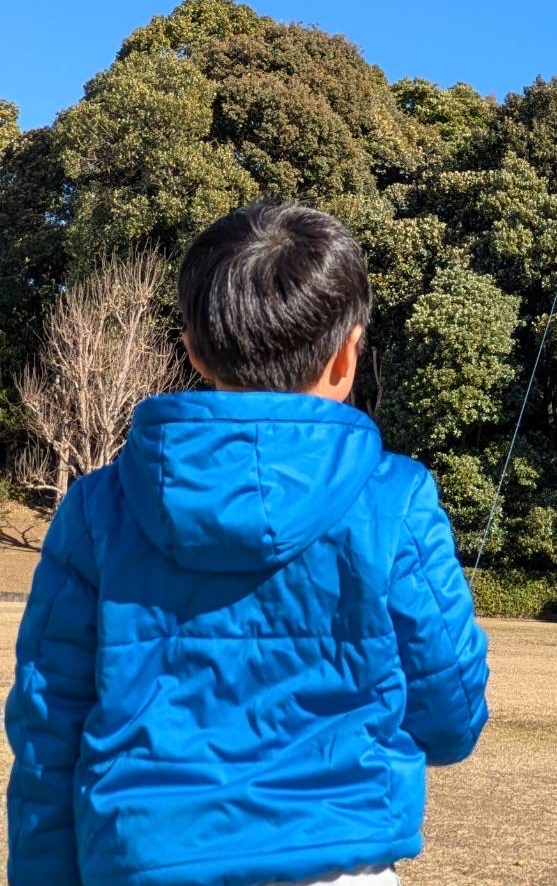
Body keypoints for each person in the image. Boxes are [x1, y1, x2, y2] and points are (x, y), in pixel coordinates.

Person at [6, 202, 489, 886]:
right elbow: (451, 719)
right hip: (340, 865)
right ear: (349, 352)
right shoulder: (394, 500)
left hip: (140, 860)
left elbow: (47, 731)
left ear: (193, 347)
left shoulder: (95, 508)